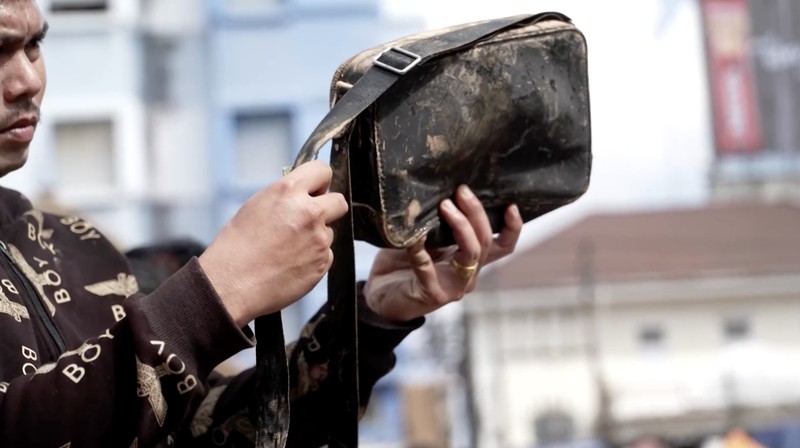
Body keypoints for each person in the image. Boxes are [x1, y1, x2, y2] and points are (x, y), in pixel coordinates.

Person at [0, 1, 523, 447]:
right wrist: (219, 290)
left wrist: (372, 316)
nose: (27, 80)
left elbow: (203, 433)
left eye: (33, 46)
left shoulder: (74, 242)